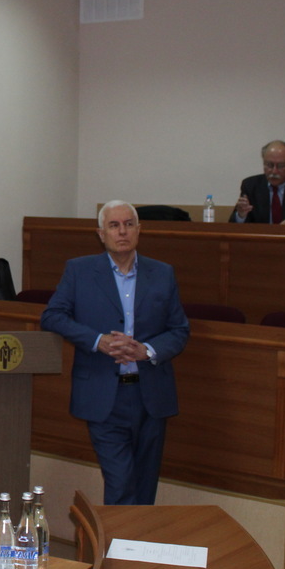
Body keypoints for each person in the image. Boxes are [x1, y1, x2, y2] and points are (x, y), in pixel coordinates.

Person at [41, 202, 189, 505]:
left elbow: (179, 330)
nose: (122, 231)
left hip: (151, 395)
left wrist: (146, 350)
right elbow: (52, 316)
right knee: (121, 485)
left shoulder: (162, 273)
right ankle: (116, 538)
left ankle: (137, 537)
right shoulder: (79, 270)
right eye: (114, 225)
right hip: (103, 394)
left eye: (128, 224)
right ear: (101, 234)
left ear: (139, 230)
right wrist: (98, 341)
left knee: (145, 488)